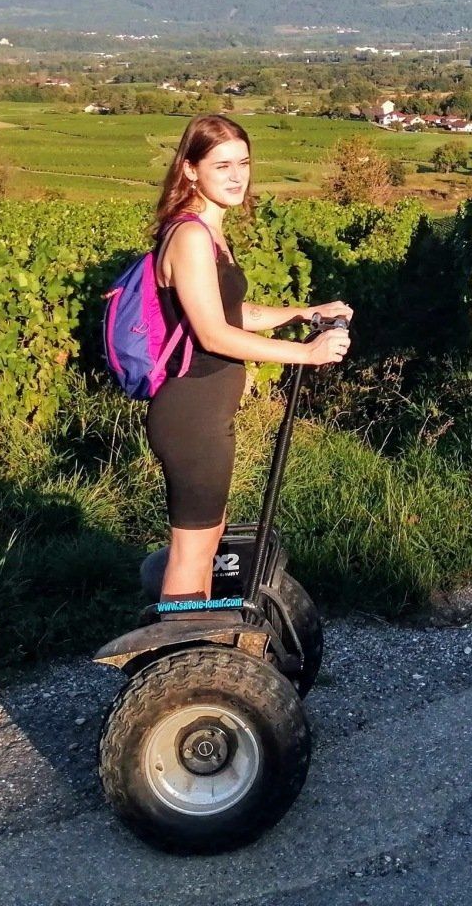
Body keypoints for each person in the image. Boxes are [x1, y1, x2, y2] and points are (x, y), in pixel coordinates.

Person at [146, 114, 352, 606]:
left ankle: (193, 655)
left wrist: (301, 312)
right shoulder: (191, 236)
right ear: (191, 170)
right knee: (193, 550)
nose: (237, 176)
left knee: (208, 540)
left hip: (206, 413)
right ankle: (182, 665)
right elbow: (215, 334)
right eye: (222, 165)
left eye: (243, 163)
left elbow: (231, 313)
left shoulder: (211, 234)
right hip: (190, 415)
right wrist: (305, 353)